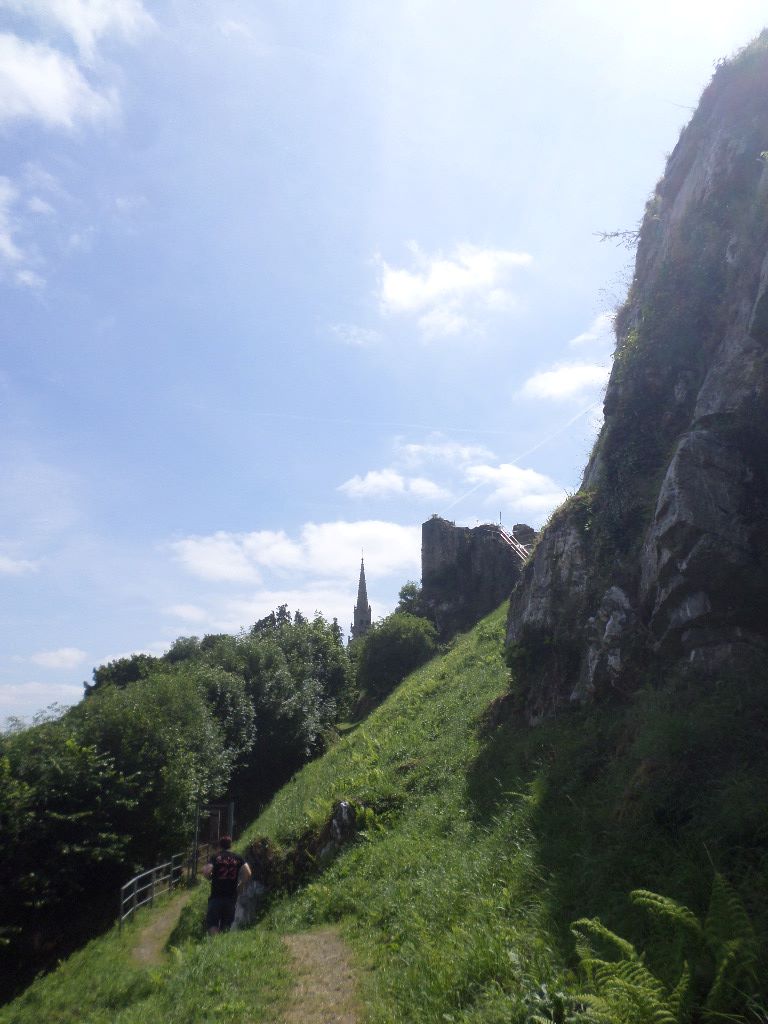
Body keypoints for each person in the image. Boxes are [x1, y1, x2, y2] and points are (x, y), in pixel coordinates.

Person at [202, 835, 252, 935]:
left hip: (216, 896)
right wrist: (241, 884)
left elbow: (207, 872)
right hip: (231, 898)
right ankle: (222, 945)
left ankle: (215, 945)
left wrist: (209, 877)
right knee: (226, 926)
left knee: (213, 924)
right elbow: (248, 872)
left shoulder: (215, 857)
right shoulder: (237, 858)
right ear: (231, 845)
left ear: (220, 846)